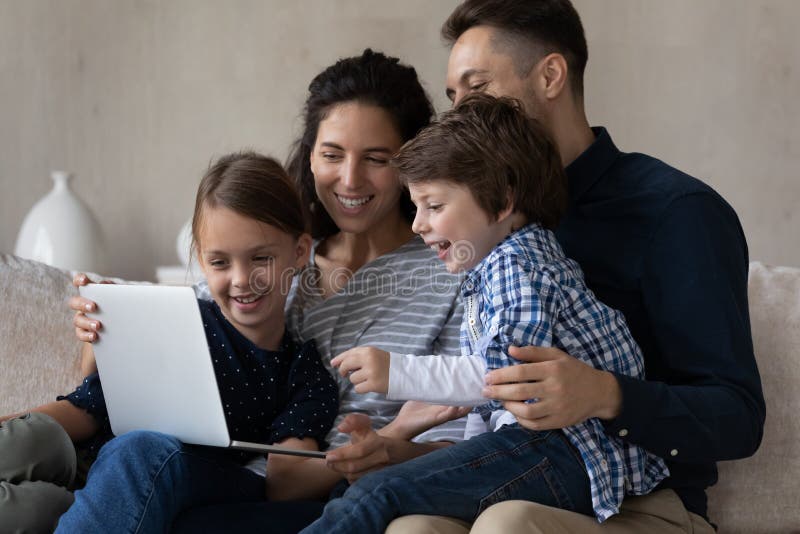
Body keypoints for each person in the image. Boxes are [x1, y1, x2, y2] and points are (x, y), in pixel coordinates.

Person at [387, 1, 766, 533]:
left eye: (476, 89)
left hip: (642, 503)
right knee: (411, 528)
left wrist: (606, 394)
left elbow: (739, 418)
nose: (461, 115)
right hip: (515, 476)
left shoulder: (675, 211)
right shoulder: (475, 225)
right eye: (453, 98)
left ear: (550, 76)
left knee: (508, 525)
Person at [70, 49, 468, 533]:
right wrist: (108, 329)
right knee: (133, 459)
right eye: (331, 155)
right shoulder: (274, 253)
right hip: (218, 476)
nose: (349, 179)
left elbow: (463, 439)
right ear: (310, 156)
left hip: (340, 498)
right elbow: (185, 344)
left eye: (377, 159)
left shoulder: (449, 275)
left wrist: (391, 446)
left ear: (410, 163)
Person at [302, 94, 668, 534]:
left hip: (564, 453)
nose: (418, 224)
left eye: (434, 206)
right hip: (536, 450)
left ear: (502, 202)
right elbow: (490, 411)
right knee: (365, 493)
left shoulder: (519, 265)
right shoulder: (491, 271)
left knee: (377, 494)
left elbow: (501, 376)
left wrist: (396, 371)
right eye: (416, 207)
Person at [51, 151, 340, 532]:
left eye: (260, 258)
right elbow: (91, 397)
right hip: (98, 470)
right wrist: (100, 333)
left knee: (142, 453)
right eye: (220, 263)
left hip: (195, 477)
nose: (240, 279)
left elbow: (286, 475)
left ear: (300, 252)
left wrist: (380, 446)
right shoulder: (178, 321)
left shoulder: (303, 370)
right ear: (202, 262)